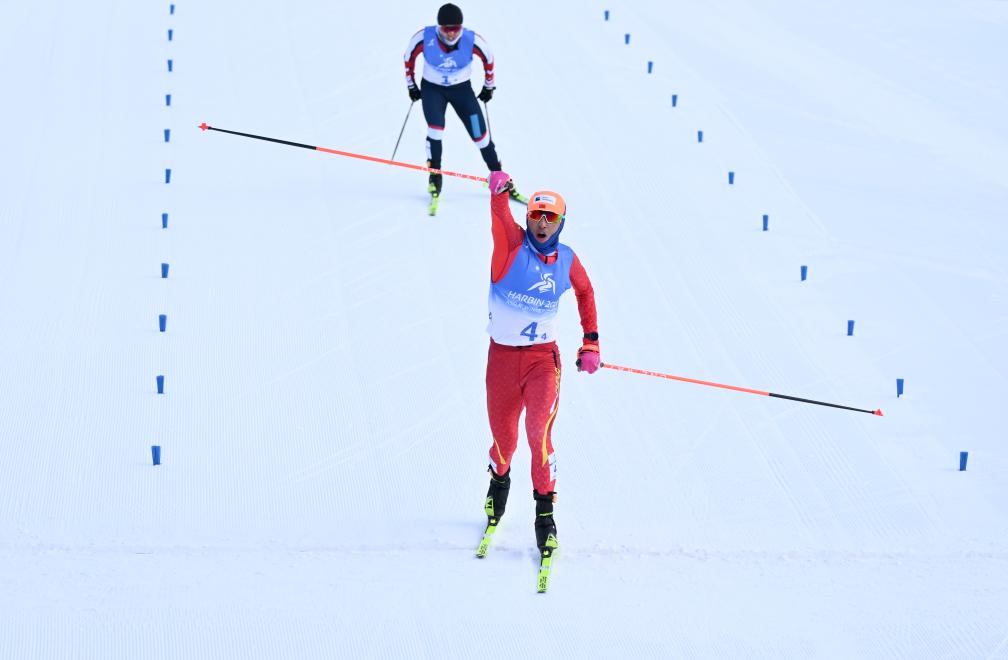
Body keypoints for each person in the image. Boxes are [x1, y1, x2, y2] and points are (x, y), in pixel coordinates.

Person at [481, 170, 600, 558]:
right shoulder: (511, 246)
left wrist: (591, 342)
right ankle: (499, 482)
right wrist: (499, 192)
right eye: (536, 215)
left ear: (561, 222)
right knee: (505, 442)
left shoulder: (566, 260)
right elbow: (500, 216)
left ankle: (545, 515)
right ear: (528, 217)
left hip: (541, 362)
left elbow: (585, 292)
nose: (542, 223)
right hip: (502, 360)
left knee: (538, 433)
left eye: (551, 217)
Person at [402, 4, 523, 201]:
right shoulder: (423, 37)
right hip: (433, 90)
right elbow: (408, 58)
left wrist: (488, 86)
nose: (451, 33)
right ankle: (435, 177)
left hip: (461, 91)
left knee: (480, 135)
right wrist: (411, 86)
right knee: (435, 131)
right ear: (439, 27)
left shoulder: (472, 39)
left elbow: (489, 59)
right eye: (446, 29)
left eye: (456, 29)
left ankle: (499, 177)